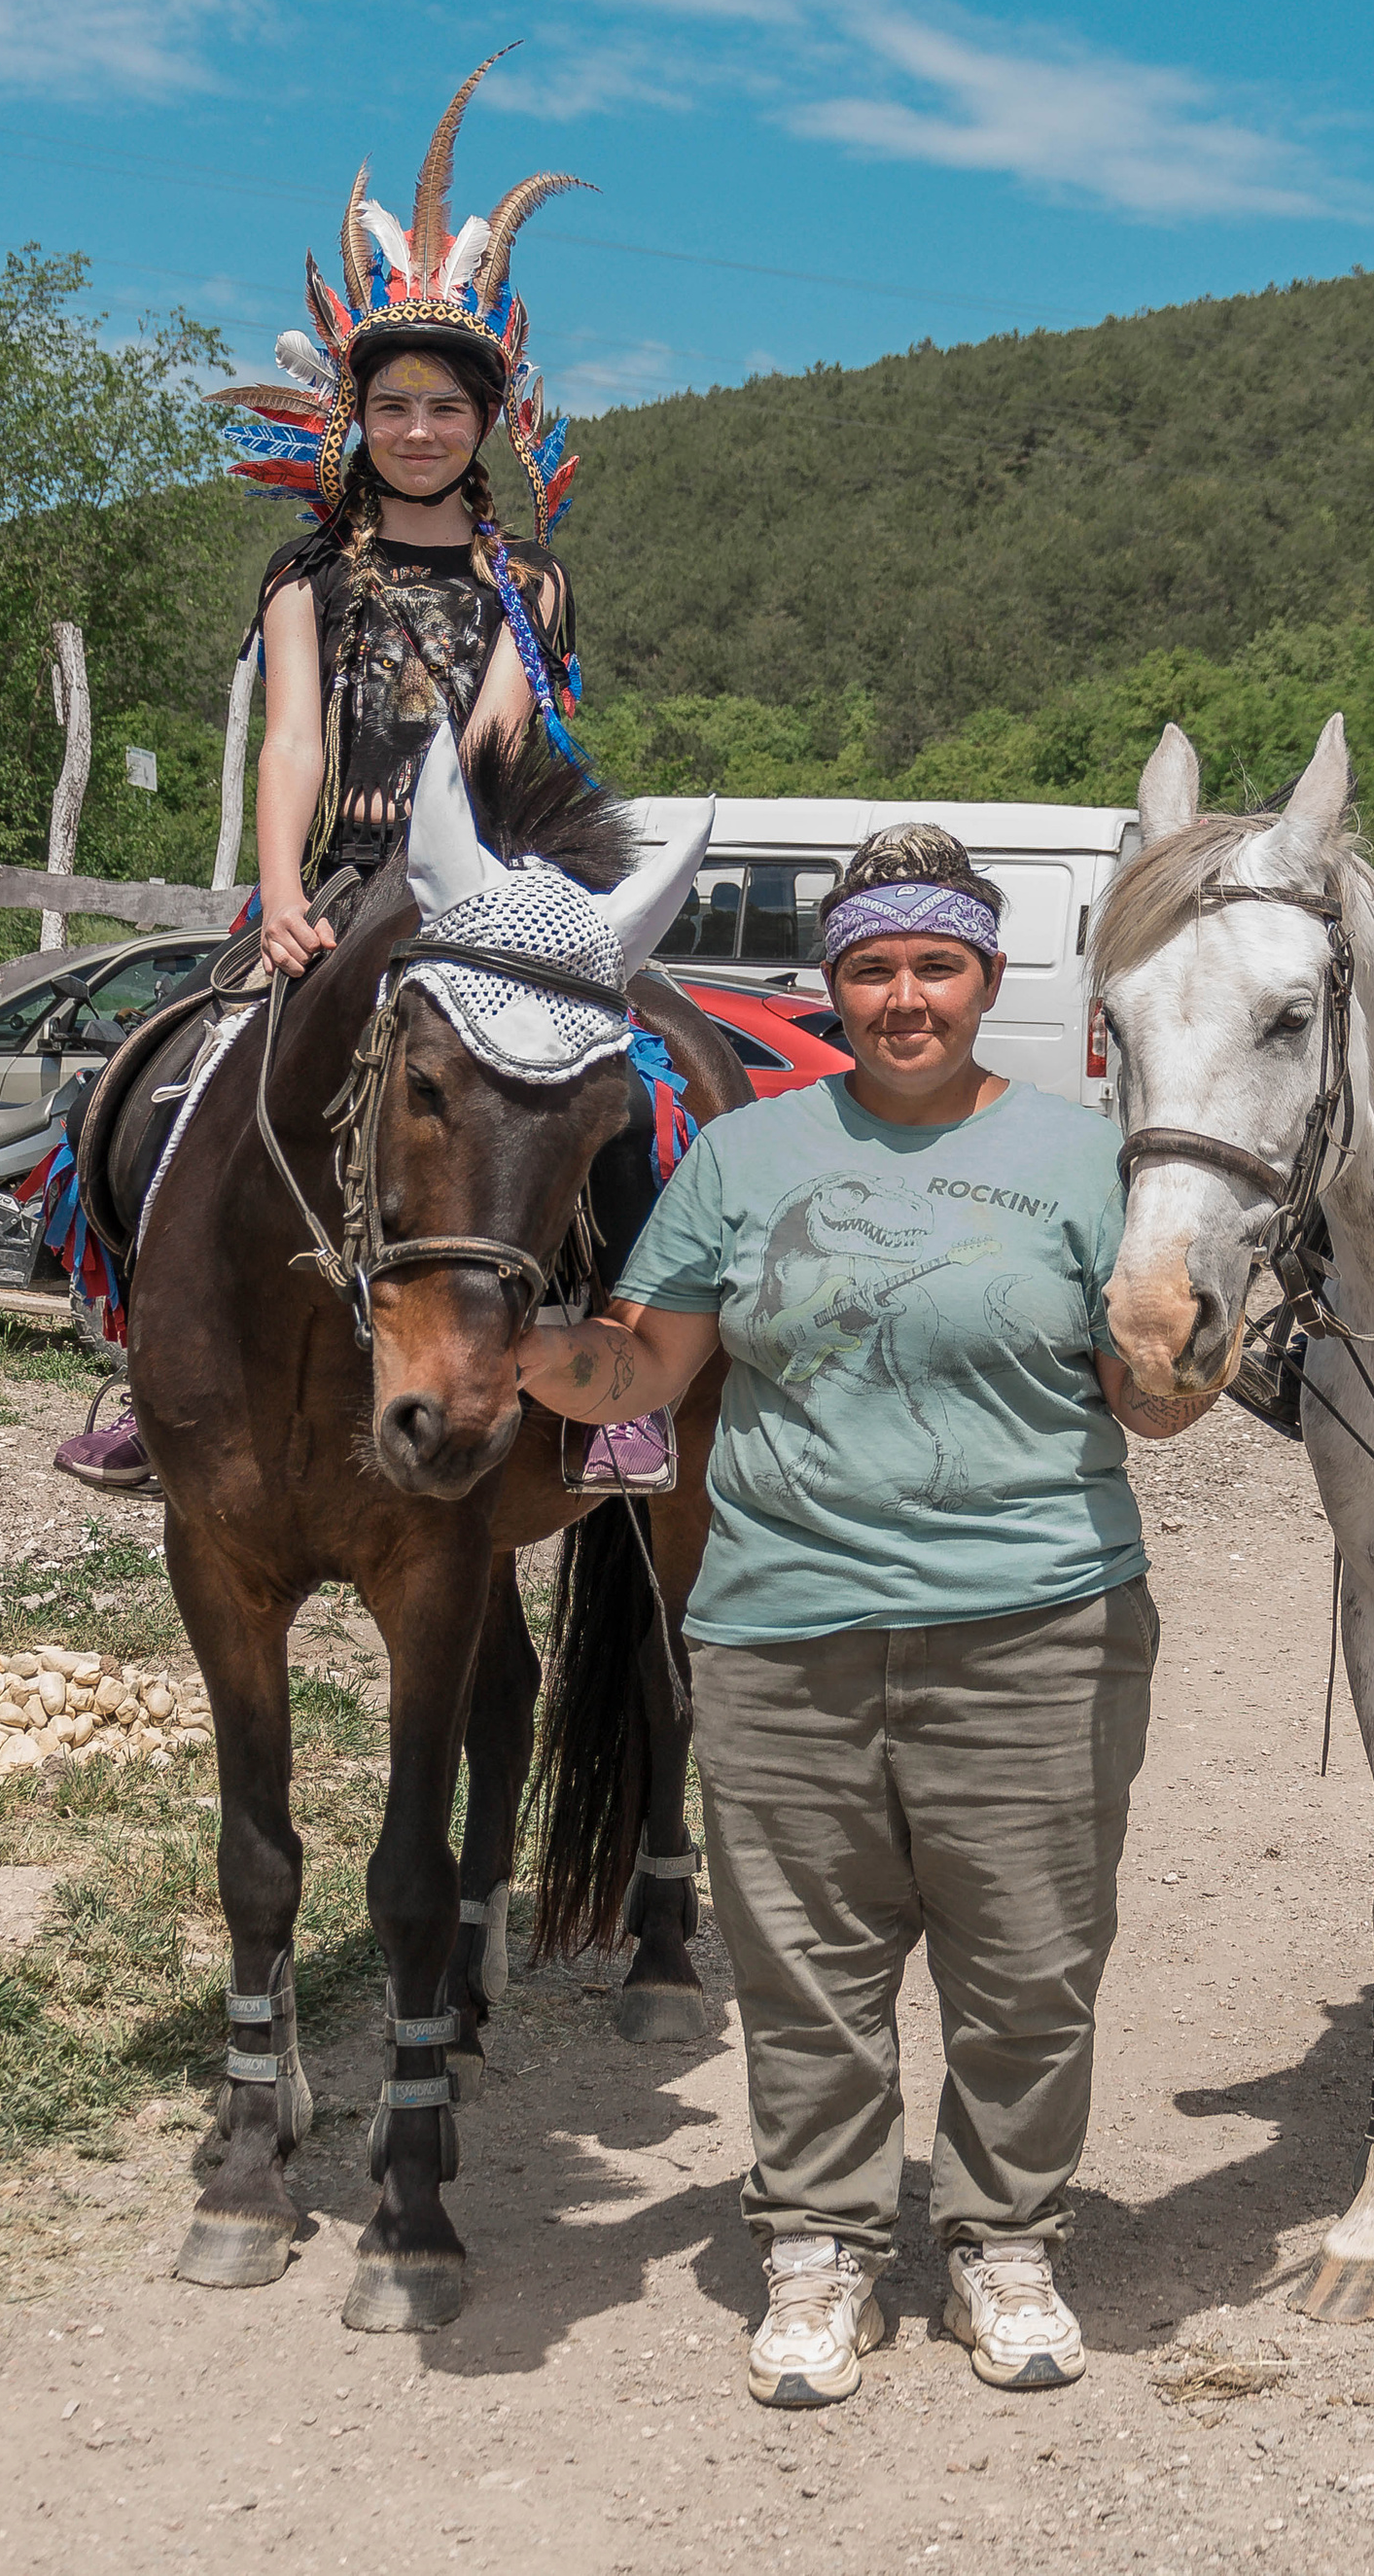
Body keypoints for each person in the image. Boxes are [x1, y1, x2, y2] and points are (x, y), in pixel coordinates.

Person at [513, 824, 1213, 2408]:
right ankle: (822, 2246)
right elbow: (641, 1374)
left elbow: (1148, 1408)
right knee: (806, 1966)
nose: (905, 996)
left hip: (1039, 1628)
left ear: (988, 976)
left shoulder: (1087, 1156)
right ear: (834, 984)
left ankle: (1002, 2239)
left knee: (1030, 1958)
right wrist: (498, 1344)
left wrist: (1199, 1350)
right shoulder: (743, 1157)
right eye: (874, 967)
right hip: (782, 1631)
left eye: (937, 965)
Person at [56, 57, 669, 1490]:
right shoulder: (309, 574)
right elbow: (293, 744)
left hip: (501, 884)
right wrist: (278, 893)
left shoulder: (532, 581)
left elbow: (489, 748)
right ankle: (160, 1360)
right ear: (360, 418)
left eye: (446, 409)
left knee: (629, 1096)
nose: (418, 429)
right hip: (338, 879)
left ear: (486, 424)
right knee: (157, 1076)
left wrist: (453, 892)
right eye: (393, 405)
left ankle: (624, 1380)